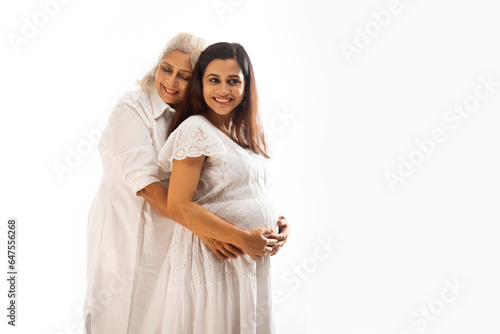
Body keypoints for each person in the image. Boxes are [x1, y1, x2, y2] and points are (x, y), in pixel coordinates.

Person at [84, 33, 289, 334]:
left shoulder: (196, 118)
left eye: (184, 76)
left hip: (174, 240)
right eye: (166, 69)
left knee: (158, 320)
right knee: (121, 317)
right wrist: (211, 231)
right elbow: (149, 187)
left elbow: (224, 188)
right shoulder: (132, 109)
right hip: (128, 232)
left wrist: (272, 223)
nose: (171, 81)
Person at [158, 42, 281, 333]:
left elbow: (244, 193)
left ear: (246, 86)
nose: (223, 90)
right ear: (200, 84)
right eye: (214, 80)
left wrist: (277, 226)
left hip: (246, 263)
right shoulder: (195, 129)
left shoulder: (242, 136)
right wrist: (242, 237)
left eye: (233, 81)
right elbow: (179, 205)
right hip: (214, 261)